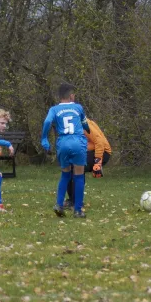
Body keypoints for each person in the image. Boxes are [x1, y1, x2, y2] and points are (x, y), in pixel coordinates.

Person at [41, 83, 89, 218]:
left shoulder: (54, 109)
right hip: (77, 142)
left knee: (65, 175)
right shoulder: (78, 107)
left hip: (63, 143)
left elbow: (47, 122)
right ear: (71, 96)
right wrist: (88, 129)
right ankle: (78, 210)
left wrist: (44, 138)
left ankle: (59, 204)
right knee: (79, 176)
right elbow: (84, 123)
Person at [65, 118, 112, 208]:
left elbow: (99, 142)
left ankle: (76, 202)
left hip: (102, 152)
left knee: (77, 167)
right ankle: (72, 200)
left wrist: (97, 162)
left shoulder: (84, 124)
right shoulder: (69, 126)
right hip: (89, 150)